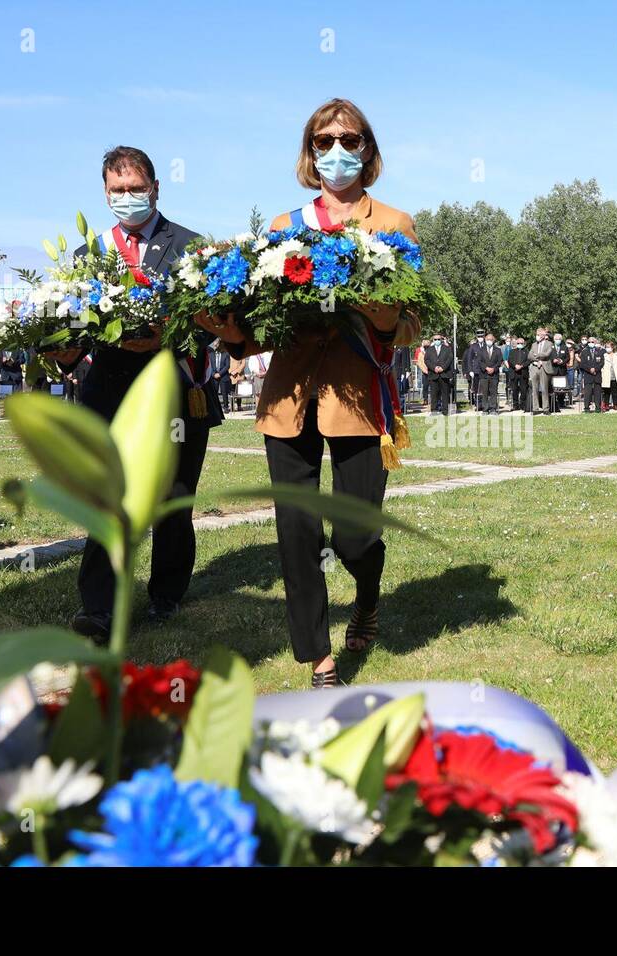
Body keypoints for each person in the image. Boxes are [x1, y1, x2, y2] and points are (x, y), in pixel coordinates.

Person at [200, 98, 419, 689]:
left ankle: (367, 597)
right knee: (297, 532)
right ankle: (319, 661)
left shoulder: (394, 225)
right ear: (309, 151)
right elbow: (258, 327)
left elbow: (411, 324)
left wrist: (381, 313)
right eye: (325, 141)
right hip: (288, 397)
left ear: (368, 150)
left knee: (355, 534)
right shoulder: (283, 229)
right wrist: (229, 331)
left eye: (350, 139)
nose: (337, 151)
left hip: (356, 398)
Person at [49, 145, 223, 640]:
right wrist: (62, 353)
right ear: (105, 194)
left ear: (155, 188)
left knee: (171, 499)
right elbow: (74, 324)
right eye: (117, 190)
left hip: (176, 392)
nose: (127, 197)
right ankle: (99, 607)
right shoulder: (88, 255)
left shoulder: (192, 247)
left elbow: (214, 324)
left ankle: (166, 594)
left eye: (135, 188)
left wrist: (165, 335)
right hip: (108, 395)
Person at [424, 332, 453, 414]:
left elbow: (449, 359)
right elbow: (426, 360)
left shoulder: (447, 349)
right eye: (435, 339)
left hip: (444, 374)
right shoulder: (429, 349)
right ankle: (433, 410)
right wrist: (434, 368)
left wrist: (443, 368)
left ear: (441, 340)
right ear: (433, 340)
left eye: (438, 339)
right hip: (433, 374)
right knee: (434, 394)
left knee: (445, 393)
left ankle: (445, 410)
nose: (437, 341)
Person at [529, 328, 555, 415]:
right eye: (536, 334)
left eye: (539, 334)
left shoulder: (549, 344)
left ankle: (545, 409)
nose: (537, 336)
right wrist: (537, 361)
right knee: (535, 389)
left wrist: (537, 355)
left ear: (543, 336)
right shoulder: (533, 344)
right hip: (535, 367)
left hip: (544, 368)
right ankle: (535, 408)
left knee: (544, 389)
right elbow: (529, 356)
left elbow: (547, 354)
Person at [475, 333, 502, 414]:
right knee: (485, 392)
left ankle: (493, 408)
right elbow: (479, 361)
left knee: (493, 392)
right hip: (484, 375)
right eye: (487, 340)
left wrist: (494, 369)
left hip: (494, 375)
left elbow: (500, 361)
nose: (489, 341)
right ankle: (485, 409)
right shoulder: (480, 350)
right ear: (485, 340)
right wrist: (486, 368)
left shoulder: (498, 350)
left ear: (493, 340)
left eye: (491, 339)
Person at [579, 336, 605, 412]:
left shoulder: (600, 351)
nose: (591, 343)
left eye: (592, 342)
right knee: (588, 392)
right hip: (588, 374)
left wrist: (595, 369)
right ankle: (586, 408)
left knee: (597, 392)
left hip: (597, 374)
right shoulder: (584, 351)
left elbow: (602, 363)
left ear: (595, 342)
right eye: (589, 342)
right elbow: (582, 364)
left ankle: (598, 408)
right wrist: (589, 369)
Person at [506, 335, 530, 413]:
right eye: (518, 343)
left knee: (523, 390)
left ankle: (523, 405)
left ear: (524, 343)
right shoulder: (512, 351)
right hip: (514, 372)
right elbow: (510, 360)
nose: (520, 344)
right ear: (516, 343)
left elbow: (528, 361)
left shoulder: (526, 351)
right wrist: (515, 365)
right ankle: (515, 405)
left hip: (523, 373)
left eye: (521, 343)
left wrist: (522, 366)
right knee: (514, 389)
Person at [602, 341, 617, 410]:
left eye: (608, 347)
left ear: (612, 347)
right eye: (606, 347)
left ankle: (615, 405)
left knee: (615, 391)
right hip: (606, 375)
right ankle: (606, 405)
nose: (607, 348)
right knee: (607, 392)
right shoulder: (604, 355)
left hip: (615, 376)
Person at [549, 332, 569, 411]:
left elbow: (568, 358)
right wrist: (552, 360)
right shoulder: (550, 347)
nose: (558, 340)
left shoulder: (564, 347)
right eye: (556, 339)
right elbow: (547, 357)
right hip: (553, 370)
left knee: (561, 388)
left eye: (559, 339)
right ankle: (553, 403)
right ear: (554, 339)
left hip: (562, 370)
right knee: (553, 387)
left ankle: (561, 403)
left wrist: (562, 361)